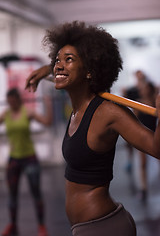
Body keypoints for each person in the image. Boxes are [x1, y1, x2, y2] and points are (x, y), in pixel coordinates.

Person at [25, 21, 160, 236]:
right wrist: (46, 70)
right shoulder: (78, 107)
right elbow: (63, 75)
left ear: (90, 70)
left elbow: (156, 148)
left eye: (69, 59)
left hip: (103, 227)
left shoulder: (108, 112)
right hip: (84, 227)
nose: (59, 65)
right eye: (57, 60)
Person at [0, 88, 52, 236]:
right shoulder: (6, 114)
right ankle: (13, 226)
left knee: (36, 193)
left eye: (13, 101)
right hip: (14, 158)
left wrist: (48, 105)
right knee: (12, 195)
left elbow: (47, 122)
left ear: (17, 99)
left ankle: (41, 226)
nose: (11, 104)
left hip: (29, 158)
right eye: (9, 102)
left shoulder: (27, 112)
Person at [135, 81, 158, 202]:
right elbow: (135, 121)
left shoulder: (155, 102)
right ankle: (143, 189)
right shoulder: (138, 103)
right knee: (143, 164)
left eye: (145, 88)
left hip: (155, 136)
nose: (143, 90)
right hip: (142, 137)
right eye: (142, 89)